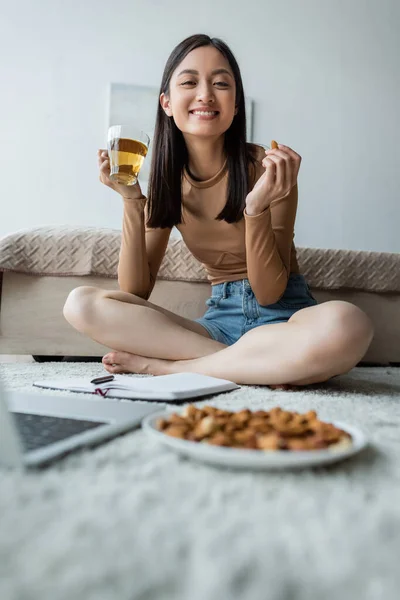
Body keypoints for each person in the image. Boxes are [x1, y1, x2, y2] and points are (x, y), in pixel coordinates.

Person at [63, 33, 374, 388]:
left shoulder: (267, 168)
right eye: (190, 82)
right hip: (217, 327)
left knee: (348, 323)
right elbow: (135, 291)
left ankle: (171, 368)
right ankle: (253, 366)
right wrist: (132, 201)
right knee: (81, 303)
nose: (205, 94)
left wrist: (255, 206)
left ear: (236, 104)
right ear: (166, 102)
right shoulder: (166, 181)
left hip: (286, 322)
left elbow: (269, 293)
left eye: (221, 83)